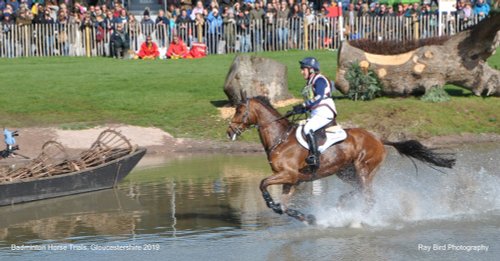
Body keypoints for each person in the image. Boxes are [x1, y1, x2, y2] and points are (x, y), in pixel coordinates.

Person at [291, 57, 337, 173]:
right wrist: (299, 110)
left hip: (325, 111)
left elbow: (319, 97)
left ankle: (314, 157)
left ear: (311, 70)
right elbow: (311, 103)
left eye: (303, 69)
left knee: (308, 128)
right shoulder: (310, 82)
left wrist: (304, 105)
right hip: (317, 112)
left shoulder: (319, 80)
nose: (301, 72)